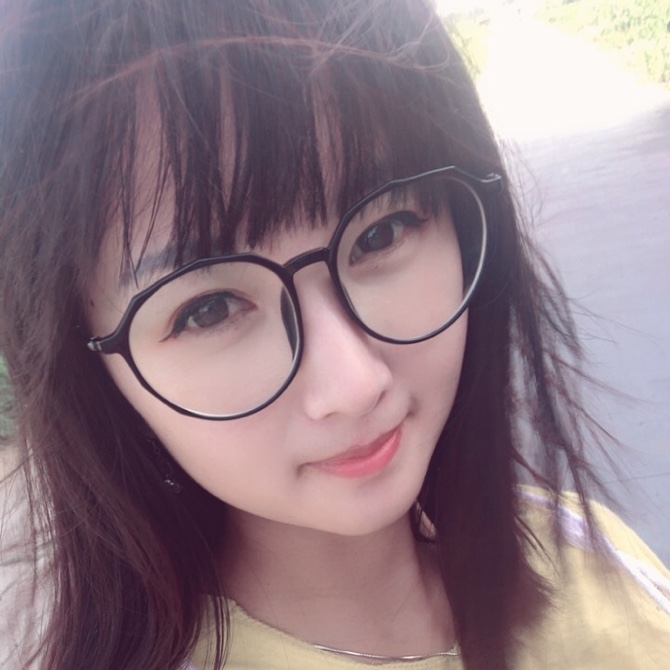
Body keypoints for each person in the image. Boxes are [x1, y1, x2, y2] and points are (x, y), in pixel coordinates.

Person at [0, 0, 668, 668]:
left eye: (381, 234)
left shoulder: (584, 559)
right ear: (91, 376)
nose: (355, 385)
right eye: (209, 310)